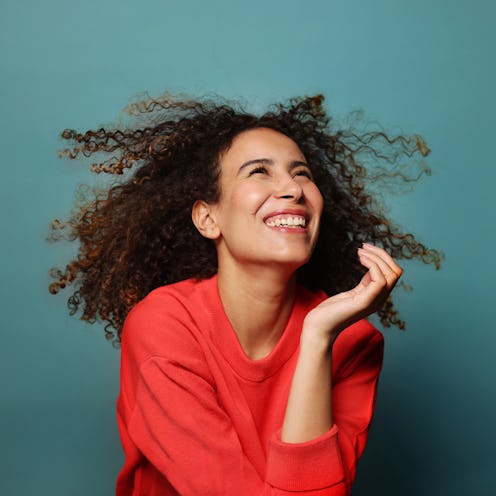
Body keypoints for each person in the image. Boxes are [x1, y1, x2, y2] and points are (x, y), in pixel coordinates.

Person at [49, 94, 441, 495]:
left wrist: (318, 336)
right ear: (208, 218)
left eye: (302, 173)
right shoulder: (164, 327)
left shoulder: (352, 342)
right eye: (259, 172)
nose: (292, 189)